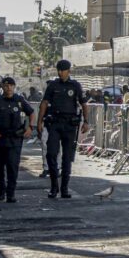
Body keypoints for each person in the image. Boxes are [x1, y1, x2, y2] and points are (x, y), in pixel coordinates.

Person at [37, 60, 89, 199]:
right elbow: (44, 103)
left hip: (69, 125)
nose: (60, 72)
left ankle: (64, 188)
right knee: (51, 154)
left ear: (68, 71)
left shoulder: (75, 85)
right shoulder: (53, 85)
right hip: (54, 123)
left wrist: (86, 122)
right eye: (59, 70)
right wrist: (39, 121)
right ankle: (54, 187)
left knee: (67, 158)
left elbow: (84, 104)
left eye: (63, 70)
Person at [0, 77, 34, 202]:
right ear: (2, 87)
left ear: (14, 86)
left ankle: (11, 193)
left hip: (14, 139)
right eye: (6, 86)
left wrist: (30, 127)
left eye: (11, 85)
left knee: (12, 166)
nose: (9, 88)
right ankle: (1, 190)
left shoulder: (19, 100)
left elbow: (31, 113)